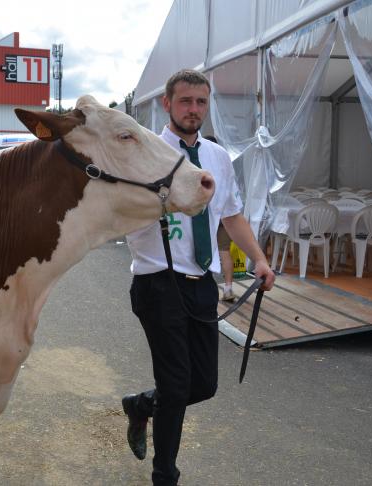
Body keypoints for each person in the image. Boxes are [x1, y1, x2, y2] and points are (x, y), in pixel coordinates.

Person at [121, 69, 275, 485]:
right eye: (186, 101)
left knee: (203, 384)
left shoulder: (218, 157)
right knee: (175, 385)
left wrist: (259, 259)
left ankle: (140, 405)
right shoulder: (144, 152)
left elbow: (232, 214)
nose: (194, 109)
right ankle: (164, 476)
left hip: (201, 284)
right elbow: (123, 213)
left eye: (201, 102)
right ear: (167, 104)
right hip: (158, 280)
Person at [203, 135, 236, 302]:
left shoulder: (200, 167)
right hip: (225, 217)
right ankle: (228, 287)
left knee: (204, 251)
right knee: (224, 252)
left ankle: (208, 285)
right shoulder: (221, 166)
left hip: (207, 217)